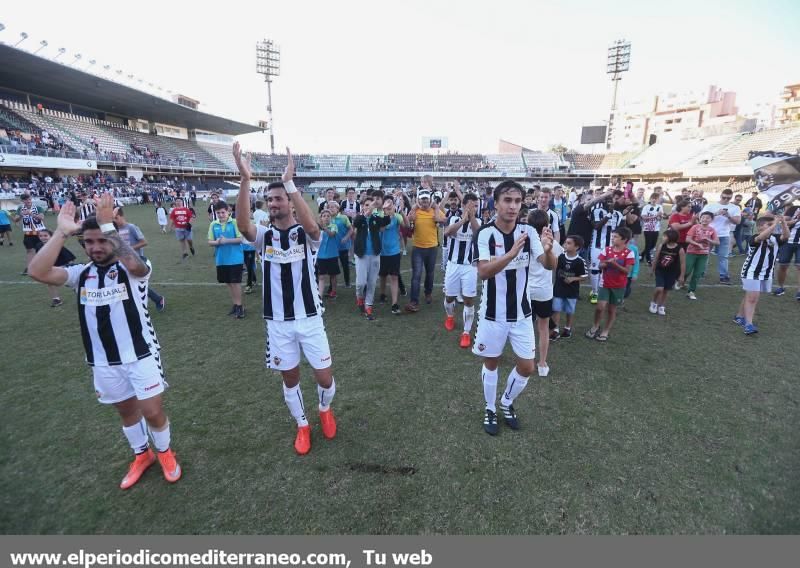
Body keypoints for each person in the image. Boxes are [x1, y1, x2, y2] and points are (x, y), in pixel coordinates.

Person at [28, 194, 181, 490]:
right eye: (89, 242)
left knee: (152, 412)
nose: (96, 247)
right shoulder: (80, 275)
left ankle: (165, 452)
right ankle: (142, 455)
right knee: (126, 412)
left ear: (112, 239)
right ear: (83, 244)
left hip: (141, 354)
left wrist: (109, 226)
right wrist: (61, 231)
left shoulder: (132, 269)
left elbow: (137, 266)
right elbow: (37, 271)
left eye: (102, 241)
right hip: (103, 361)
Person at [233, 143, 337, 455]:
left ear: (290, 203)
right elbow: (243, 225)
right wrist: (245, 179)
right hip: (278, 322)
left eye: (279, 198)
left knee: (325, 378)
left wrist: (290, 183)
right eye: (270, 199)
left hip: (309, 318)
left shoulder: (305, 235)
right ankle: (303, 425)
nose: (274, 203)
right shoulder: (264, 236)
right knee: (290, 379)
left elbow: (312, 225)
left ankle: (324, 410)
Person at [472, 180, 551, 435]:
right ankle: (490, 408)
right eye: (507, 200)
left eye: (518, 201)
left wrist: (549, 250)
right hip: (492, 314)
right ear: (495, 204)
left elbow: (549, 264)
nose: (513, 206)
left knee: (527, 366)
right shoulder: (485, 233)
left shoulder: (528, 232)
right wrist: (510, 254)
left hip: (521, 314)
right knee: (491, 362)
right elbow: (483, 272)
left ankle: (506, 401)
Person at [735, 214, 790, 335]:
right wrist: (775, 223)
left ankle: (739, 316)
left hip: (766, 273)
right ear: (760, 227)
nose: (773, 227)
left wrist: (783, 223)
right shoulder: (754, 237)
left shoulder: (775, 238)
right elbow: (762, 237)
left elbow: (786, 236)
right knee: (753, 297)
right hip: (751, 271)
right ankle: (748, 325)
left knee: (750, 295)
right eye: (768, 225)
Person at [443, 193, 481, 348]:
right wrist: (463, 219)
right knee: (450, 297)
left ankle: (466, 332)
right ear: (463, 205)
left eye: (476, 205)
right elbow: (447, 232)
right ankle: (450, 316)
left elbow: (478, 234)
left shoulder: (478, 221)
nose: (473, 208)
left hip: (469, 267)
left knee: (468, 299)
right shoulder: (453, 218)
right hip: (453, 264)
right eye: (470, 205)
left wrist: (471, 218)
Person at [585, 226, 635, 340]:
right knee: (600, 307)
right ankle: (595, 326)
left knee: (612, 310)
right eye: (612, 236)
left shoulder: (629, 253)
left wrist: (615, 265)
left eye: (616, 237)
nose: (612, 238)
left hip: (619, 286)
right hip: (605, 284)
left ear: (625, 240)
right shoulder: (607, 250)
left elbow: (627, 271)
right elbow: (600, 265)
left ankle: (606, 330)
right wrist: (607, 263)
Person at [113, 207, 166, 312]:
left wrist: (128, 249)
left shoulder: (131, 227)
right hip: (123, 262)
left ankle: (157, 299)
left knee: (134, 283)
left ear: (120, 216)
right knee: (130, 283)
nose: (113, 221)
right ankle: (156, 299)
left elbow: (144, 242)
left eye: (115, 218)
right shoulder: (115, 230)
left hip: (137, 261)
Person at [526, 209, 559, 376]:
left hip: (527, 291)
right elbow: (554, 264)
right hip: (544, 291)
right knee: (543, 327)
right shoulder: (551, 242)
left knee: (527, 327)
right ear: (546, 225)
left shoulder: (524, 241)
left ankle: (530, 360)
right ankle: (542, 362)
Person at [405, 187, 446, 312]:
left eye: (426, 200)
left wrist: (437, 209)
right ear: (418, 200)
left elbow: (444, 220)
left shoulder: (435, 210)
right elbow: (408, 222)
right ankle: (414, 301)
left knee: (430, 273)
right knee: (416, 275)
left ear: (430, 200)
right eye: (422, 200)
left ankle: (428, 293)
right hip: (418, 247)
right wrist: (412, 211)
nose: (424, 202)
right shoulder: (415, 211)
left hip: (432, 247)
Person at [353, 197, 389, 320]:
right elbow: (356, 223)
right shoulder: (360, 218)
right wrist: (367, 212)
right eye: (367, 205)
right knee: (360, 283)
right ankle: (359, 298)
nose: (369, 207)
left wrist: (385, 210)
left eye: (371, 205)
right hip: (361, 255)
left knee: (372, 282)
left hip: (374, 254)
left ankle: (368, 306)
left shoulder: (375, 218)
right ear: (362, 206)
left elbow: (385, 221)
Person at [207, 201, 245, 318]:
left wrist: (226, 240)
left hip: (235, 259)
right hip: (221, 259)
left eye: (223, 212)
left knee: (235, 282)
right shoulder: (213, 224)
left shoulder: (234, 222)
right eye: (218, 213)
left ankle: (240, 307)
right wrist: (217, 242)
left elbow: (240, 239)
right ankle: (235, 304)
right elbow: (210, 242)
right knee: (228, 283)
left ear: (228, 211)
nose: (221, 215)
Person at [588, 190, 626, 304]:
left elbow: (621, 231)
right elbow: (596, 226)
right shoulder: (597, 211)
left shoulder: (619, 214)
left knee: (607, 270)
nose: (610, 202)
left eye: (612, 200)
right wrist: (608, 215)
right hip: (597, 246)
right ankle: (595, 292)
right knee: (595, 270)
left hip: (611, 247)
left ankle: (603, 290)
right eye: (607, 200)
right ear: (603, 201)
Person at [701, 188, 741, 285]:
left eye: (728, 198)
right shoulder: (711, 205)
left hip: (724, 235)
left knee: (723, 257)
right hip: (709, 233)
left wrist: (728, 215)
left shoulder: (735, 207)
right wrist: (716, 213)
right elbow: (701, 217)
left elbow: (737, 221)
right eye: (724, 197)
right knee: (704, 255)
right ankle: (700, 273)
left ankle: (723, 276)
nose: (726, 200)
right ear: (720, 196)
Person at [550, 235, 587, 340]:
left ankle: (567, 328)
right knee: (556, 309)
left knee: (569, 310)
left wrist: (573, 279)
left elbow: (584, 277)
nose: (565, 245)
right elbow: (554, 267)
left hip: (572, 291)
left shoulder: (580, 261)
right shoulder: (560, 257)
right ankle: (555, 330)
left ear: (577, 247)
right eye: (565, 242)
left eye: (569, 243)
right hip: (559, 288)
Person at [378, 197, 408, 315]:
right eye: (387, 208)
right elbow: (380, 229)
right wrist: (387, 218)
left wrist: (401, 212)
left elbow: (406, 226)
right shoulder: (380, 217)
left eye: (391, 208)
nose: (389, 210)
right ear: (384, 208)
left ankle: (394, 303)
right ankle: (382, 293)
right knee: (382, 275)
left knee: (394, 276)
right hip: (381, 252)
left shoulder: (397, 217)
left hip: (394, 251)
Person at [34, 228, 76, 307]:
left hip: (63, 266)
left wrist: (71, 269)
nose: (43, 237)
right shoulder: (38, 245)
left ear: (51, 236)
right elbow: (39, 257)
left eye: (45, 235)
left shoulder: (57, 245)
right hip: (50, 268)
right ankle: (56, 299)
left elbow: (70, 258)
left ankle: (80, 294)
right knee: (49, 282)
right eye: (40, 236)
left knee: (71, 283)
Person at [648, 229, 686, 316]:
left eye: (664, 236)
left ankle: (661, 306)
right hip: (660, 270)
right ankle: (653, 302)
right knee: (659, 288)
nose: (663, 237)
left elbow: (683, 263)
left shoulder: (680, 249)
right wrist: (652, 269)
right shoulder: (662, 246)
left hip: (672, 272)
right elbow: (656, 258)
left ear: (671, 238)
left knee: (666, 290)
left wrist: (682, 276)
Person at [684, 211, 719, 300]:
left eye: (708, 218)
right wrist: (697, 244)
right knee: (687, 270)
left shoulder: (712, 230)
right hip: (691, 252)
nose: (705, 219)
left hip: (703, 254)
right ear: (700, 218)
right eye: (703, 217)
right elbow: (687, 239)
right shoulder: (695, 227)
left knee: (697, 273)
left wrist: (708, 239)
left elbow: (717, 242)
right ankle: (681, 281)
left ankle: (691, 291)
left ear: (711, 220)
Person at [13, 193, 47, 275]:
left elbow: (42, 217)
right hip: (28, 233)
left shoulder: (37, 207)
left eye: (29, 199)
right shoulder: (20, 208)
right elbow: (15, 219)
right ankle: (29, 268)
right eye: (25, 200)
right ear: (22, 201)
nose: (28, 201)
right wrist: (21, 214)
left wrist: (31, 214)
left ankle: (44, 267)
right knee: (29, 250)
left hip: (40, 232)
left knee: (42, 250)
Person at [772, 203, 800, 300]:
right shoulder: (794, 208)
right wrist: (796, 219)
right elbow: (783, 222)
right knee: (783, 265)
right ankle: (781, 287)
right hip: (787, 241)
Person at [316, 209, 340, 300]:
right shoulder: (317, 228)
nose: (326, 218)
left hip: (332, 255)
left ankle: (333, 292)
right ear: (321, 218)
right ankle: (320, 295)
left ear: (331, 218)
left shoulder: (334, 226)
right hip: (321, 255)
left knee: (333, 275)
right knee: (321, 276)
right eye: (324, 216)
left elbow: (332, 234)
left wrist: (324, 228)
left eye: (328, 216)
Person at [640, 193, 663, 265]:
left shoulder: (660, 207)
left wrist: (659, 216)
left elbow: (660, 218)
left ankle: (642, 255)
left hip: (656, 228)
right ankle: (648, 260)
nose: (654, 200)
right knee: (648, 244)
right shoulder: (646, 207)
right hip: (647, 228)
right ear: (650, 199)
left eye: (656, 198)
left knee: (653, 245)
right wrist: (655, 216)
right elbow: (644, 217)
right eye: (653, 198)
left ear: (658, 200)